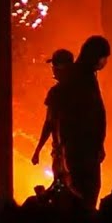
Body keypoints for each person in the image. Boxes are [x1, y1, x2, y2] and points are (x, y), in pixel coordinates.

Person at [56, 35, 110, 211]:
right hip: (82, 148)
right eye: (104, 57)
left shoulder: (84, 76)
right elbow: (81, 115)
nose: (104, 62)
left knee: (87, 189)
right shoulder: (80, 78)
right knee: (85, 190)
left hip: (86, 147)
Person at [31, 49, 74, 185]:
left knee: (61, 186)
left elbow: (49, 123)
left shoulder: (56, 92)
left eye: (54, 66)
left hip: (62, 151)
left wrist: (38, 150)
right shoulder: (83, 89)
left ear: (60, 67)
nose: (52, 70)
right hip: (80, 151)